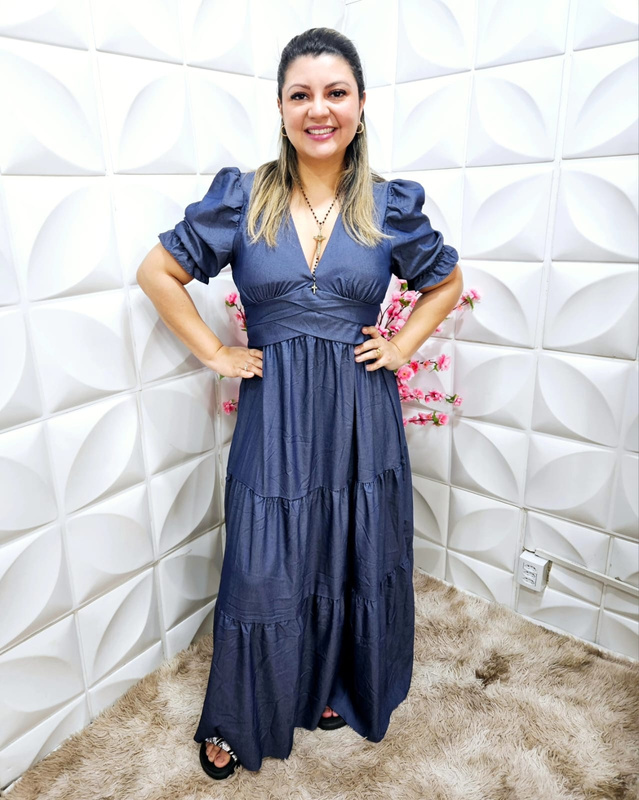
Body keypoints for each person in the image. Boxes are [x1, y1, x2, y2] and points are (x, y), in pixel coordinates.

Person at [137, 26, 462, 781]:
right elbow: (158, 272)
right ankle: (239, 711)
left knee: (352, 547)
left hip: (359, 412)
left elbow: (444, 281)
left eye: (335, 93)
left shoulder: (388, 205)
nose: (319, 109)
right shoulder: (242, 198)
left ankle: (334, 682)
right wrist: (215, 353)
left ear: (360, 105)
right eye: (301, 95)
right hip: (274, 410)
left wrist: (402, 346)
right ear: (281, 109)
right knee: (264, 558)